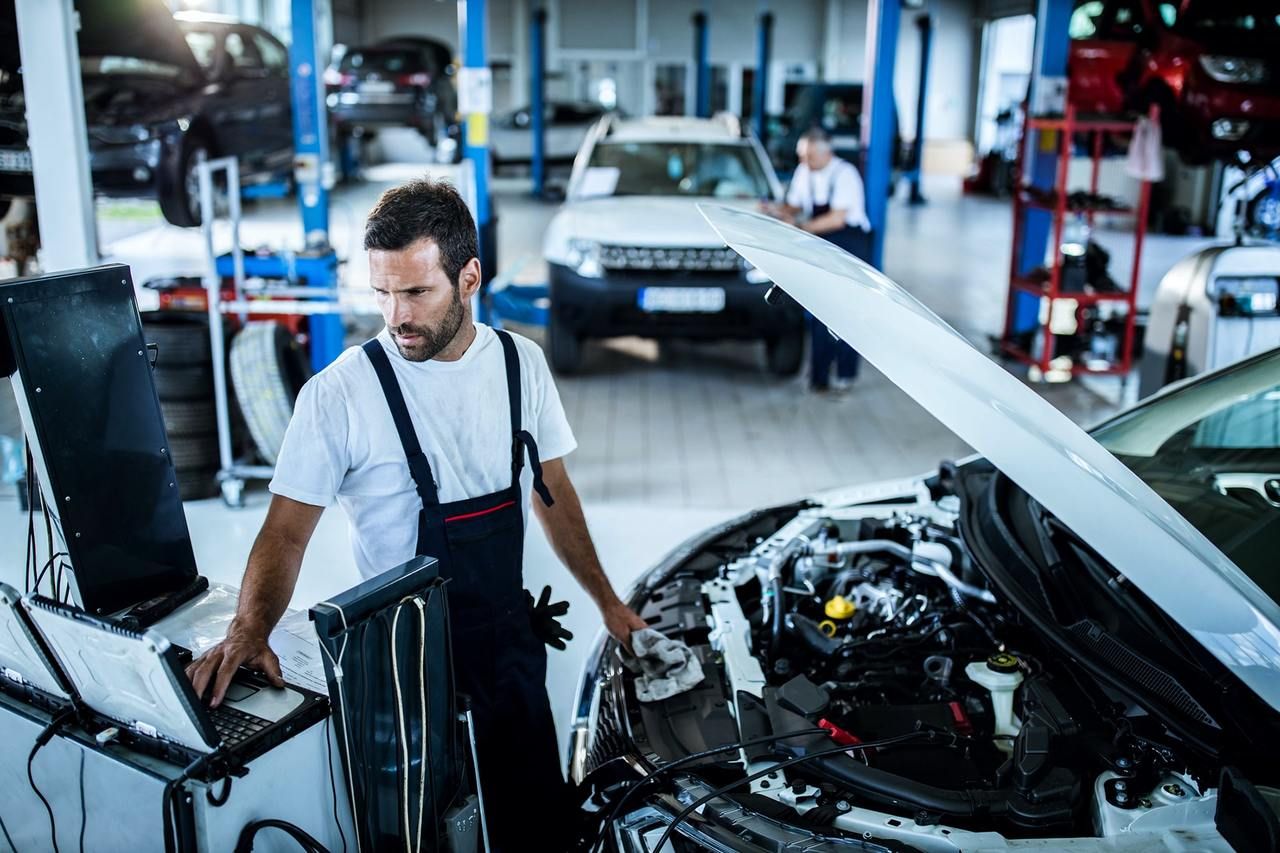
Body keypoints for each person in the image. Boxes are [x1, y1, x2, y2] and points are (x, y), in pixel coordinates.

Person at [185, 178, 647, 849]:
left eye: (415, 292)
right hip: (404, 674)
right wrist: (248, 627)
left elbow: (553, 488)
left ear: (469, 278)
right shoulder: (341, 392)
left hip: (509, 648)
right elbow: (286, 529)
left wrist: (607, 600)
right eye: (382, 293)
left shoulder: (523, 367)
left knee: (536, 823)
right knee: (426, 832)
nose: (395, 315)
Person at [763, 127, 871, 392]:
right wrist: (774, 210)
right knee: (822, 309)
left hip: (850, 245)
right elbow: (796, 204)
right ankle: (819, 378)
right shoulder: (804, 172)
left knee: (847, 312)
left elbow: (838, 218)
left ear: (826, 153)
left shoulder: (845, 175)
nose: (804, 162)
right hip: (821, 244)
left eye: (809, 156)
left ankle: (845, 375)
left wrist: (801, 227)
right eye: (801, 156)